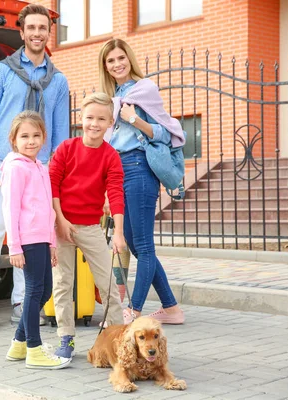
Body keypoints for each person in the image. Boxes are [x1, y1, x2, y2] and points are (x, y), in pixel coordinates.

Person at [0, 4, 69, 332]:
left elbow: (59, 135)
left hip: (39, 168)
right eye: (32, 28)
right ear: (22, 32)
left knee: (30, 237)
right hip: (2, 164)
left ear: (48, 32)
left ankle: (20, 301)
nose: (37, 33)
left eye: (43, 28)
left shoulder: (58, 81)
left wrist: (54, 177)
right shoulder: (1, 71)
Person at [98, 38, 185, 325]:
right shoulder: (112, 98)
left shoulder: (144, 89)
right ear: (106, 67)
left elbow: (166, 132)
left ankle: (133, 310)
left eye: (121, 58)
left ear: (129, 58)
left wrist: (133, 119)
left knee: (144, 246)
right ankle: (171, 308)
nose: (117, 64)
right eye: (111, 61)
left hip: (139, 168)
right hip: (118, 169)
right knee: (135, 244)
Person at [48, 93, 126, 359]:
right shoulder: (66, 148)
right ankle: (66, 338)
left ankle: (118, 340)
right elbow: (52, 185)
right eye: (90, 117)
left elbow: (115, 193)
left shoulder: (111, 156)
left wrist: (118, 233)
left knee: (108, 285)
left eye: (101, 119)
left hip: (91, 227)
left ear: (110, 123)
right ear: (81, 119)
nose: (94, 123)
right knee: (62, 283)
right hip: (61, 225)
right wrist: (60, 220)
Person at [2, 111, 71, 369]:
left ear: (43, 138)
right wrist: (14, 246)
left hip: (42, 239)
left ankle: (19, 344)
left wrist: (52, 242)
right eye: (24, 136)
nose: (31, 141)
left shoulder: (40, 167)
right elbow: (11, 209)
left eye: (36, 135)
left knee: (45, 290)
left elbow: (47, 209)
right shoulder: (16, 168)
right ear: (14, 140)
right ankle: (34, 349)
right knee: (33, 291)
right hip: (27, 239)